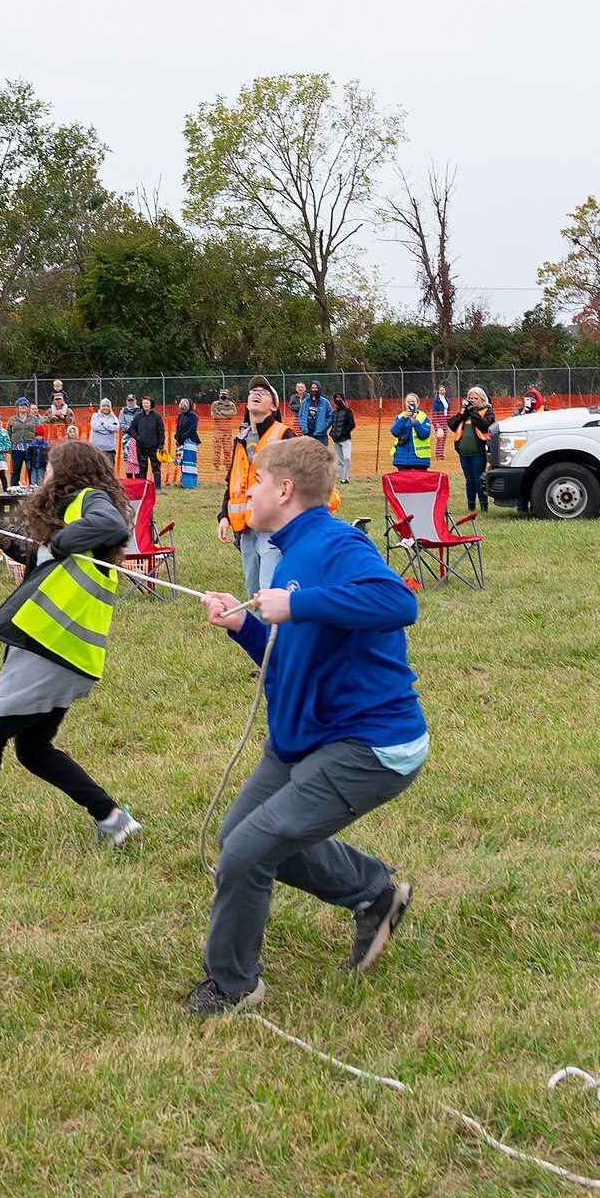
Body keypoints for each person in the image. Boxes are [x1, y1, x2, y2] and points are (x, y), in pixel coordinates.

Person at [188, 434, 425, 1015]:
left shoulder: (338, 542)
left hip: (369, 744)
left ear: (285, 490)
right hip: (304, 739)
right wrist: (243, 628)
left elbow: (399, 602)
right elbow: (289, 656)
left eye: (258, 482)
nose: (248, 490)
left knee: (246, 852)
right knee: (236, 841)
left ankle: (233, 986)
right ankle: (374, 893)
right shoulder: (288, 549)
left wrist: (298, 604)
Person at [0, 439, 142, 854]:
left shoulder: (90, 498)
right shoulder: (70, 511)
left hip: (49, 645)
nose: (44, 475)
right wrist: (4, 541)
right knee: (33, 749)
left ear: (68, 471)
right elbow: (47, 562)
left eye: (50, 467)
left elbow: (113, 527)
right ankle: (111, 817)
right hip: (63, 650)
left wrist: (61, 541)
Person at [218, 378, 294, 600]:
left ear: (273, 406)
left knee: (269, 591)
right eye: (253, 391)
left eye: (264, 391)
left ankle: (278, 634)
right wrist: (224, 516)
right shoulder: (240, 439)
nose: (256, 393)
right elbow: (232, 480)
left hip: (273, 527)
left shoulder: (284, 435)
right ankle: (265, 634)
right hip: (246, 529)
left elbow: (298, 479)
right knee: (253, 593)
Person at [447, 387, 495, 513]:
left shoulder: (487, 411)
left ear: (482, 399)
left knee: (478, 479)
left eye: (476, 398)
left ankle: (484, 506)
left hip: (478, 452)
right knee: (469, 480)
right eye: (471, 398)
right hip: (464, 452)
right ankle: (471, 506)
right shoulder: (465, 413)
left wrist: (473, 412)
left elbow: (485, 426)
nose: (473, 401)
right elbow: (451, 424)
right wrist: (463, 413)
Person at [130, 394, 166, 490]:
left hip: (154, 447)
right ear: (141, 404)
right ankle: (143, 488)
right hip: (141, 447)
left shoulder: (157, 417)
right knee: (142, 468)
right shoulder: (138, 417)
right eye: (144, 403)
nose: (145, 405)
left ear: (151, 404)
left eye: (147, 403)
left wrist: (161, 445)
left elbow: (161, 431)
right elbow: (131, 429)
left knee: (156, 468)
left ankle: (158, 487)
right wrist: (137, 437)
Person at [389, 394, 432, 470]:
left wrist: (415, 422)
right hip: (402, 458)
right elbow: (394, 432)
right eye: (408, 402)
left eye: (413, 402)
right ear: (405, 403)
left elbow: (424, 434)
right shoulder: (400, 417)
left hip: (420, 459)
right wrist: (404, 419)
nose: (410, 404)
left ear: (418, 404)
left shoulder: (423, 417)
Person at [7, 399, 39, 489]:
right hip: (16, 448)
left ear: (28, 407)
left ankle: (34, 488)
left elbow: (39, 432)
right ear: (17, 407)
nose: (23, 407)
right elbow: (8, 433)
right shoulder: (12, 420)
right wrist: (9, 446)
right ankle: (14, 488)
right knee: (16, 469)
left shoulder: (34, 419)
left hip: (31, 448)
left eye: (25, 405)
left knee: (31, 469)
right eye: (21, 405)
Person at [329, 393, 357, 485]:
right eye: (336, 400)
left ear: (343, 400)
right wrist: (332, 433)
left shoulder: (347, 411)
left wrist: (343, 433)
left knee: (347, 458)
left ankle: (346, 477)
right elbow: (334, 425)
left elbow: (352, 424)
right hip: (336, 440)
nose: (338, 401)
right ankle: (343, 479)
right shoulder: (334, 413)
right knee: (340, 460)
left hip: (345, 439)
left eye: (340, 399)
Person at [210, 388, 238, 472]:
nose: (223, 396)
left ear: (228, 395)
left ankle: (228, 466)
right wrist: (227, 415)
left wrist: (221, 412)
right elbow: (214, 415)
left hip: (227, 430)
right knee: (217, 449)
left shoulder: (232, 405)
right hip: (217, 430)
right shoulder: (215, 404)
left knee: (227, 449)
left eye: (225, 394)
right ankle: (216, 466)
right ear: (219, 395)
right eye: (222, 394)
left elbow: (233, 414)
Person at [430, 384, 450, 461]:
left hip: (445, 420)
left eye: (443, 390)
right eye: (441, 390)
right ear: (438, 391)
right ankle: (438, 454)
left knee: (444, 438)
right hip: (438, 419)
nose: (442, 391)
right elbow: (434, 411)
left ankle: (442, 453)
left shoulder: (447, 400)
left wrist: (448, 420)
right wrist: (436, 423)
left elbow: (448, 410)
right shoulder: (436, 400)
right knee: (440, 437)